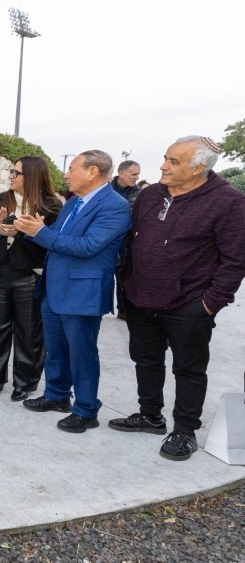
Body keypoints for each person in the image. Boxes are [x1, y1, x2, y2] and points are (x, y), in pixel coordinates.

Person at [110, 136, 245, 461]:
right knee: (145, 360)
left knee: (188, 370)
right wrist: (128, 282)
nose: (163, 166)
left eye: (173, 161)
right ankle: (150, 416)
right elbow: (131, 240)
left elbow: (235, 260)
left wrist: (209, 304)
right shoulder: (150, 195)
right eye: (165, 158)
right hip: (140, 298)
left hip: (190, 306)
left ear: (198, 168)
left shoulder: (229, 202)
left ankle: (185, 431)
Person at [16, 150, 131, 433]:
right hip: (55, 288)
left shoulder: (114, 206)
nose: (66, 175)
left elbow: (88, 246)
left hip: (83, 292)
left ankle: (86, 410)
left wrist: (40, 232)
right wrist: (24, 231)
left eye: (72, 169)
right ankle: (57, 395)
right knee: (56, 349)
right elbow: (54, 237)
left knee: (82, 354)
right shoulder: (73, 202)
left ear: (93, 172)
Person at [0, 156, 62, 400]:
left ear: (32, 175)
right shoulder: (3, 199)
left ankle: (24, 383)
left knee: (29, 333)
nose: (11, 176)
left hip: (29, 276)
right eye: (11, 171)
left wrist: (21, 232)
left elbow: (51, 245)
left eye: (16, 172)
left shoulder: (51, 206)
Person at [110, 160, 141, 320]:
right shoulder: (105, 188)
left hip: (126, 243)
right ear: (121, 173)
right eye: (134, 174)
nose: (137, 177)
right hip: (105, 241)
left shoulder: (139, 193)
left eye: (138, 174)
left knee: (123, 277)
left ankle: (123, 310)